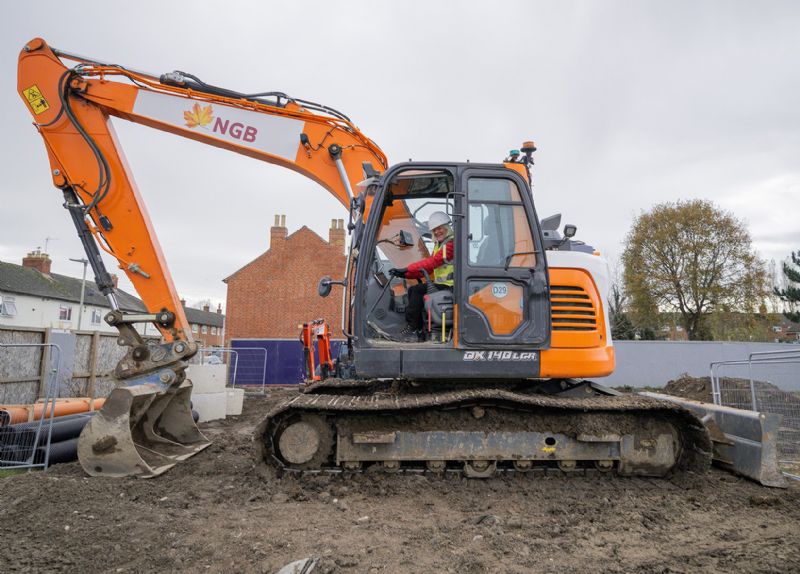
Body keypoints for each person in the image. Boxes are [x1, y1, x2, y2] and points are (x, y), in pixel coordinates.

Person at [389, 211, 454, 341]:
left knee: (418, 291)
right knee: (413, 289)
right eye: (434, 230)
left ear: (446, 227)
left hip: (450, 286)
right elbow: (428, 270)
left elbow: (432, 262)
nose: (437, 232)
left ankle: (412, 329)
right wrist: (405, 273)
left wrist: (407, 268)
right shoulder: (440, 245)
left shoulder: (451, 245)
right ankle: (418, 331)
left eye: (439, 228)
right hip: (443, 285)